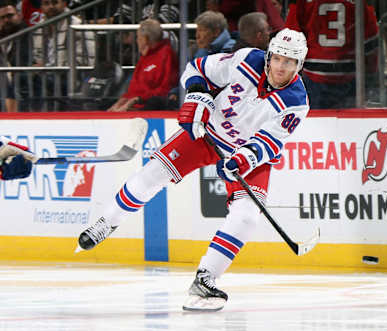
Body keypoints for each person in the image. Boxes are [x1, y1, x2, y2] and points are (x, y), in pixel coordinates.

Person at [77, 27, 309, 312]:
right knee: (152, 175)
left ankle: (205, 280)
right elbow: (198, 68)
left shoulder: (297, 101)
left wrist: (242, 160)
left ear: (299, 65)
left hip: (245, 153)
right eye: (278, 58)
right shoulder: (248, 59)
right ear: (270, 54)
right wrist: (197, 96)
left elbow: (270, 141)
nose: (281, 67)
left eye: (290, 61)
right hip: (207, 133)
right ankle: (107, 222)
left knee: (247, 217)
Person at [286, 0, 379, 109]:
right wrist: (371, 76)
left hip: (314, 75)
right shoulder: (359, 3)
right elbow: (371, 40)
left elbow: (291, 38)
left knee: (316, 123)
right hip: (348, 75)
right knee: (351, 124)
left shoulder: (302, 3)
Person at [107, 19, 178, 112]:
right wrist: (122, 100)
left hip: (150, 105)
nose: (137, 41)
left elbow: (165, 89)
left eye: (138, 37)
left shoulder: (167, 55)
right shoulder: (144, 57)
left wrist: (138, 99)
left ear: (145, 39)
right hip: (134, 103)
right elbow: (134, 87)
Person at [0, 0, 31, 112]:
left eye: (10, 16)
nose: (6, 20)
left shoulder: (26, 33)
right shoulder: (3, 36)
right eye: (2, 18)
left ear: (19, 15)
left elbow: (21, 61)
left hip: (23, 78)